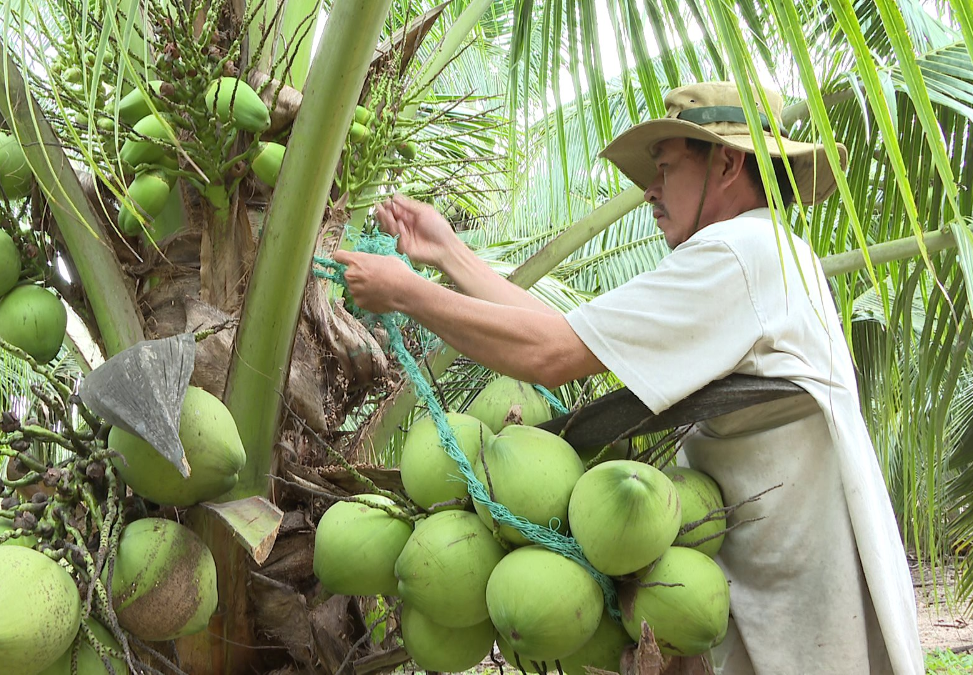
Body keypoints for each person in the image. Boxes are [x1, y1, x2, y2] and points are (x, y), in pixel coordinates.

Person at [333, 81, 923, 674]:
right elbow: (571, 336)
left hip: (793, 574)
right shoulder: (764, 250)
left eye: (665, 169)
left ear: (726, 163)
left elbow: (553, 354)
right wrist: (449, 255)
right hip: (763, 568)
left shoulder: (737, 254)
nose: (650, 191)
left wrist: (409, 294)